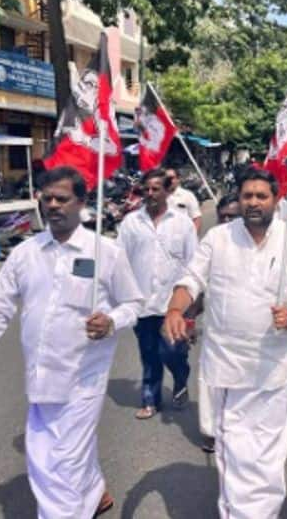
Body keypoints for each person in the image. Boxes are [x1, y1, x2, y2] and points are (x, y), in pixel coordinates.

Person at [0, 166, 143, 518]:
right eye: (47, 197)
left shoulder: (106, 252)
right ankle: (95, 492)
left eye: (62, 198)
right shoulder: (26, 253)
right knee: (56, 454)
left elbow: (133, 303)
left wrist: (112, 320)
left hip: (84, 378)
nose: (52, 205)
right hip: (40, 378)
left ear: (81, 202)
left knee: (58, 468)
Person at [164, 167, 287, 519]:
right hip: (227, 366)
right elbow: (191, 280)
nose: (253, 202)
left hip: (275, 365)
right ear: (238, 198)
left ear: (276, 200)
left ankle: (263, 512)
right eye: (247, 195)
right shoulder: (217, 238)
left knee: (267, 451)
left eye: (261, 196)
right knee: (234, 448)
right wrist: (176, 309)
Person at [117, 169, 198, 420]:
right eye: (146, 189)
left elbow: (193, 263)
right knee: (149, 354)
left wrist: (193, 308)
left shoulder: (182, 223)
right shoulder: (131, 223)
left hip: (173, 304)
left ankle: (180, 377)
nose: (150, 194)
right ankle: (150, 399)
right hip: (141, 303)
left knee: (171, 352)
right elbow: (120, 261)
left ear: (166, 191)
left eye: (156, 189)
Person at [198, 192, 240, 453]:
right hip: (214, 329)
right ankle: (210, 431)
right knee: (211, 383)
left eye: (231, 217)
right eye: (222, 216)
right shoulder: (211, 242)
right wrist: (185, 314)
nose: (225, 221)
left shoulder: (255, 244)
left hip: (248, 335)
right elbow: (195, 279)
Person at [165, 167, 202, 232]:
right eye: (166, 178)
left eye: (171, 178)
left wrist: (193, 237)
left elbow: (196, 218)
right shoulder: (160, 197)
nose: (169, 181)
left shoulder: (187, 195)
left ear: (178, 179)